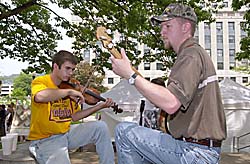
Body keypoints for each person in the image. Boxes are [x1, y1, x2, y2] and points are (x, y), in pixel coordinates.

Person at [111, 3, 226, 164]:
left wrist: (131, 75)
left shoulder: (190, 54)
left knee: (124, 132)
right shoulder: (193, 53)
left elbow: (171, 103)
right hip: (197, 150)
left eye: (168, 26)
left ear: (186, 27)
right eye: (161, 26)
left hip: (195, 153)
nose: (162, 31)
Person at [28, 50, 115, 164]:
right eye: (67, 68)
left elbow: (75, 116)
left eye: (73, 70)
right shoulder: (41, 81)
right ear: (55, 66)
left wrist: (100, 106)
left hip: (66, 133)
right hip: (45, 139)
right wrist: (68, 92)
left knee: (100, 127)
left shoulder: (71, 87)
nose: (70, 73)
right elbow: (40, 96)